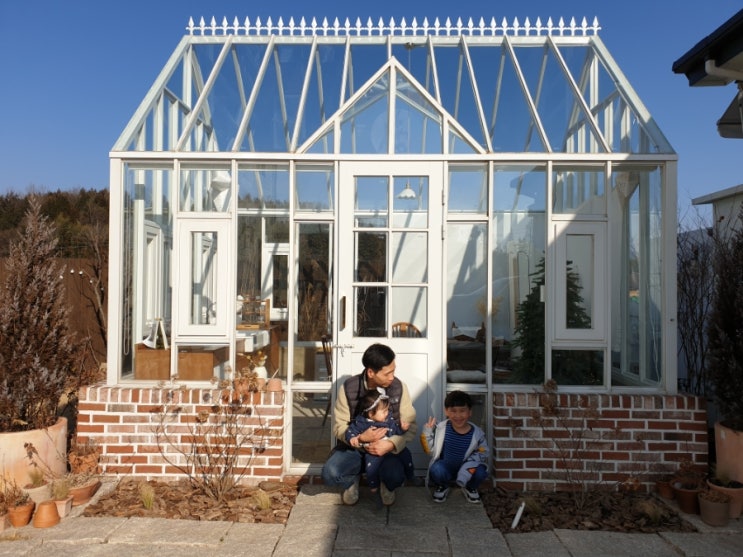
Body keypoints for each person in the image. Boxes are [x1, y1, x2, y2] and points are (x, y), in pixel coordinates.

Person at [321, 343, 417, 506]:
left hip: (386, 451)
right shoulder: (349, 388)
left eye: (393, 371)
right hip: (354, 449)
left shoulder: (398, 387)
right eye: (387, 373)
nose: (392, 377)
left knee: (396, 476)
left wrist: (391, 444)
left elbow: (411, 425)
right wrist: (360, 439)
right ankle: (351, 480)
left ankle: (386, 484)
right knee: (330, 473)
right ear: (371, 372)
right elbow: (339, 427)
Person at [420, 390, 489, 503]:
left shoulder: (477, 434)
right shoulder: (441, 429)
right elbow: (430, 451)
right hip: (446, 467)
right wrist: (427, 433)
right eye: (453, 411)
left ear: (470, 412)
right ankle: (443, 485)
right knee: (436, 469)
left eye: (462, 411)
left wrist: (467, 468)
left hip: (467, 470)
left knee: (481, 471)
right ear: (446, 411)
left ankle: (470, 487)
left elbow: (483, 452)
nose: (458, 416)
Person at [345, 390, 412, 495]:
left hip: (390, 449)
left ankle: (410, 473)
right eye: (384, 411)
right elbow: (351, 431)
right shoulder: (361, 422)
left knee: (406, 454)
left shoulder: (388, 419)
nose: (387, 413)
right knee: (371, 467)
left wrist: (402, 429)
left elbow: (395, 430)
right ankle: (373, 484)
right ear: (371, 414)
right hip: (372, 451)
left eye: (387, 410)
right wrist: (354, 438)